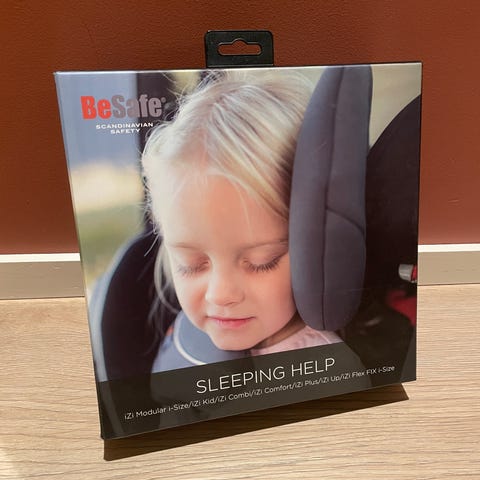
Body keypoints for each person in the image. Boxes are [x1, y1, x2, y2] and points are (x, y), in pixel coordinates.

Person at [142, 70, 343, 373]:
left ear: (321, 244)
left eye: (262, 262)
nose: (220, 295)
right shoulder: (184, 335)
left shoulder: (321, 369)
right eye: (190, 264)